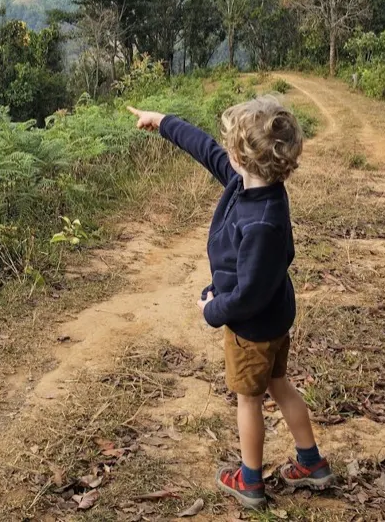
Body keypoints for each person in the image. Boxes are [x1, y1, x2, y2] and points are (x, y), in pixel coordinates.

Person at [128, 98, 332, 509]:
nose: (223, 153)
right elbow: (204, 148)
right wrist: (164, 122)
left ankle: (250, 480)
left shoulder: (262, 222)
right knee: (279, 385)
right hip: (274, 318)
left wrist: (213, 310)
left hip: (252, 328)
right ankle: (311, 462)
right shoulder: (250, 184)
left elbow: (248, 296)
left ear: (240, 156)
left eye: (229, 148)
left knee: (249, 400)